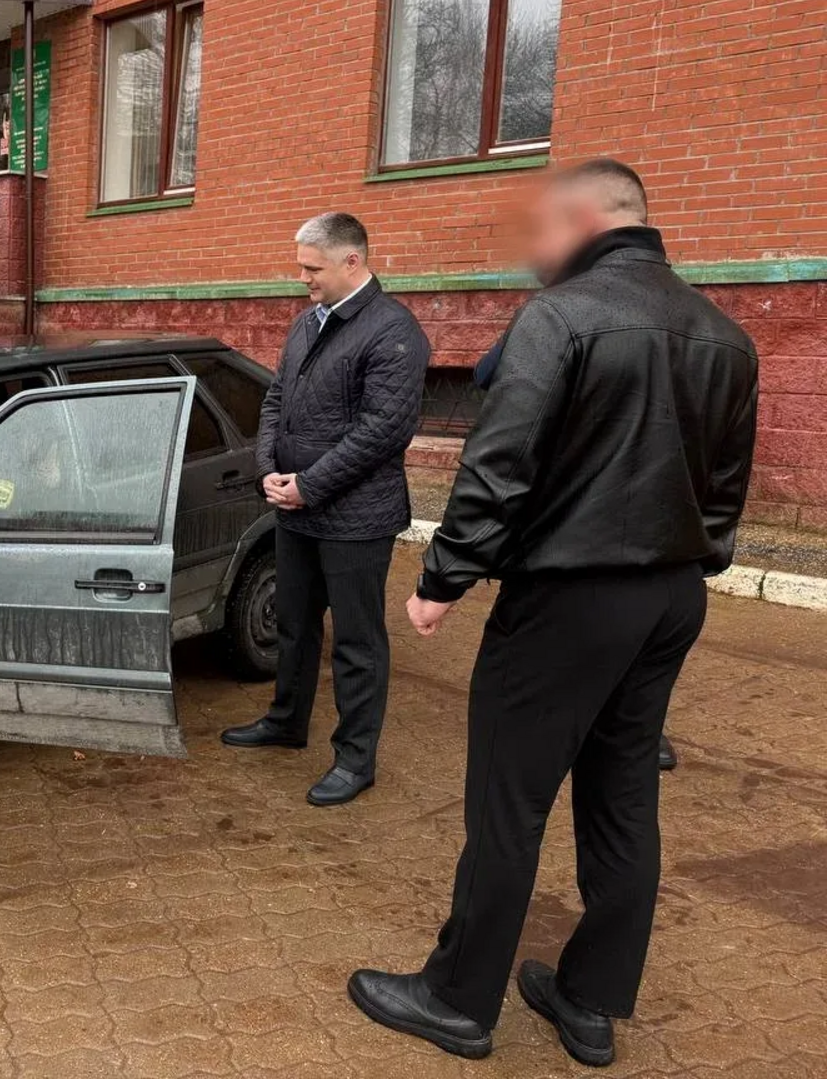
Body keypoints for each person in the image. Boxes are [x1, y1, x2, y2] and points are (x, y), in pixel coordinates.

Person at [347, 160, 758, 1065]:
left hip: (568, 599)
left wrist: (443, 579)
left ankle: (456, 999)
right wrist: (693, 562)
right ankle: (589, 999)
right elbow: (727, 488)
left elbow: (500, 462)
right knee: (624, 799)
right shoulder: (726, 336)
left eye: (541, 229)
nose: (534, 248)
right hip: (670, 599)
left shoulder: (560, 317)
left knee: (509, 802)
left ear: (582, 218)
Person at [220, 212, 430, 807]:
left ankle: (355, 758)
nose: (303, 278)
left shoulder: (393, 331)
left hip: (356, 519)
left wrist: (309, 485)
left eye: (312, 268)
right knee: (294, 624)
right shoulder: (307, 321)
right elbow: (275, 401)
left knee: (357, 642)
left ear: (352, 261)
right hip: (296, 509)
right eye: (301, 267)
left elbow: (383, 431)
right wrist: (268, 468)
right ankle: (286, 721)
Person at [476, 330, 682, 774]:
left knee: (613, 618)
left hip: (628, 491)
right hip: (605, 493)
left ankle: (621, 727)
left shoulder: (638, 326)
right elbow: (487, 372)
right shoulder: (566, 321)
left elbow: (488, 374)